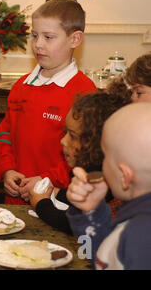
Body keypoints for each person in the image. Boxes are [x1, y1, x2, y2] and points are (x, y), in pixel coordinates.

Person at [0, 0, 97, 205]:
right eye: (34, 36)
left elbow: (85, 153)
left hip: (57, 203)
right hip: (15, 202)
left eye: (48, 37)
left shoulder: (85, 92)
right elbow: (5, 132)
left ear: (75, 39)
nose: (38, 44)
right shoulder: (21, 85)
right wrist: (7, 169)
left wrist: (47, 180)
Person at [27, 90, 131, 234]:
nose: (63, 141)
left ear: (97, 143)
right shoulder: (96, 166)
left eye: (73, 136)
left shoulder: (101, 177)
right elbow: (80, 203)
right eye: (66, 133)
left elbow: (72, 223)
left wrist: (41, 203)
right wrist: (57, 193)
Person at [66, 102, 151, 270]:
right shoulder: (136, 224)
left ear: (124, 177)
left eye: (105, 156)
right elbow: (104, 261)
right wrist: (91, 213)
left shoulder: (141, 236)